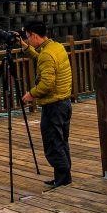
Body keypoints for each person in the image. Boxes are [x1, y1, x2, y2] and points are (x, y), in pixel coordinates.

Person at [18, 20, 73, 187]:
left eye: (27, 37)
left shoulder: (46, 55)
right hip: (64, 103)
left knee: (52, 144)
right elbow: (41, 57)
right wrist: (25, 47)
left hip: (53, 105)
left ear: (34, 35)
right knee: (61, 141)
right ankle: (62, 178)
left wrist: (30, 94)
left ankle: (63, 180)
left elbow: (47, 84)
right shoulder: (56, 47)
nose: (28, 40)